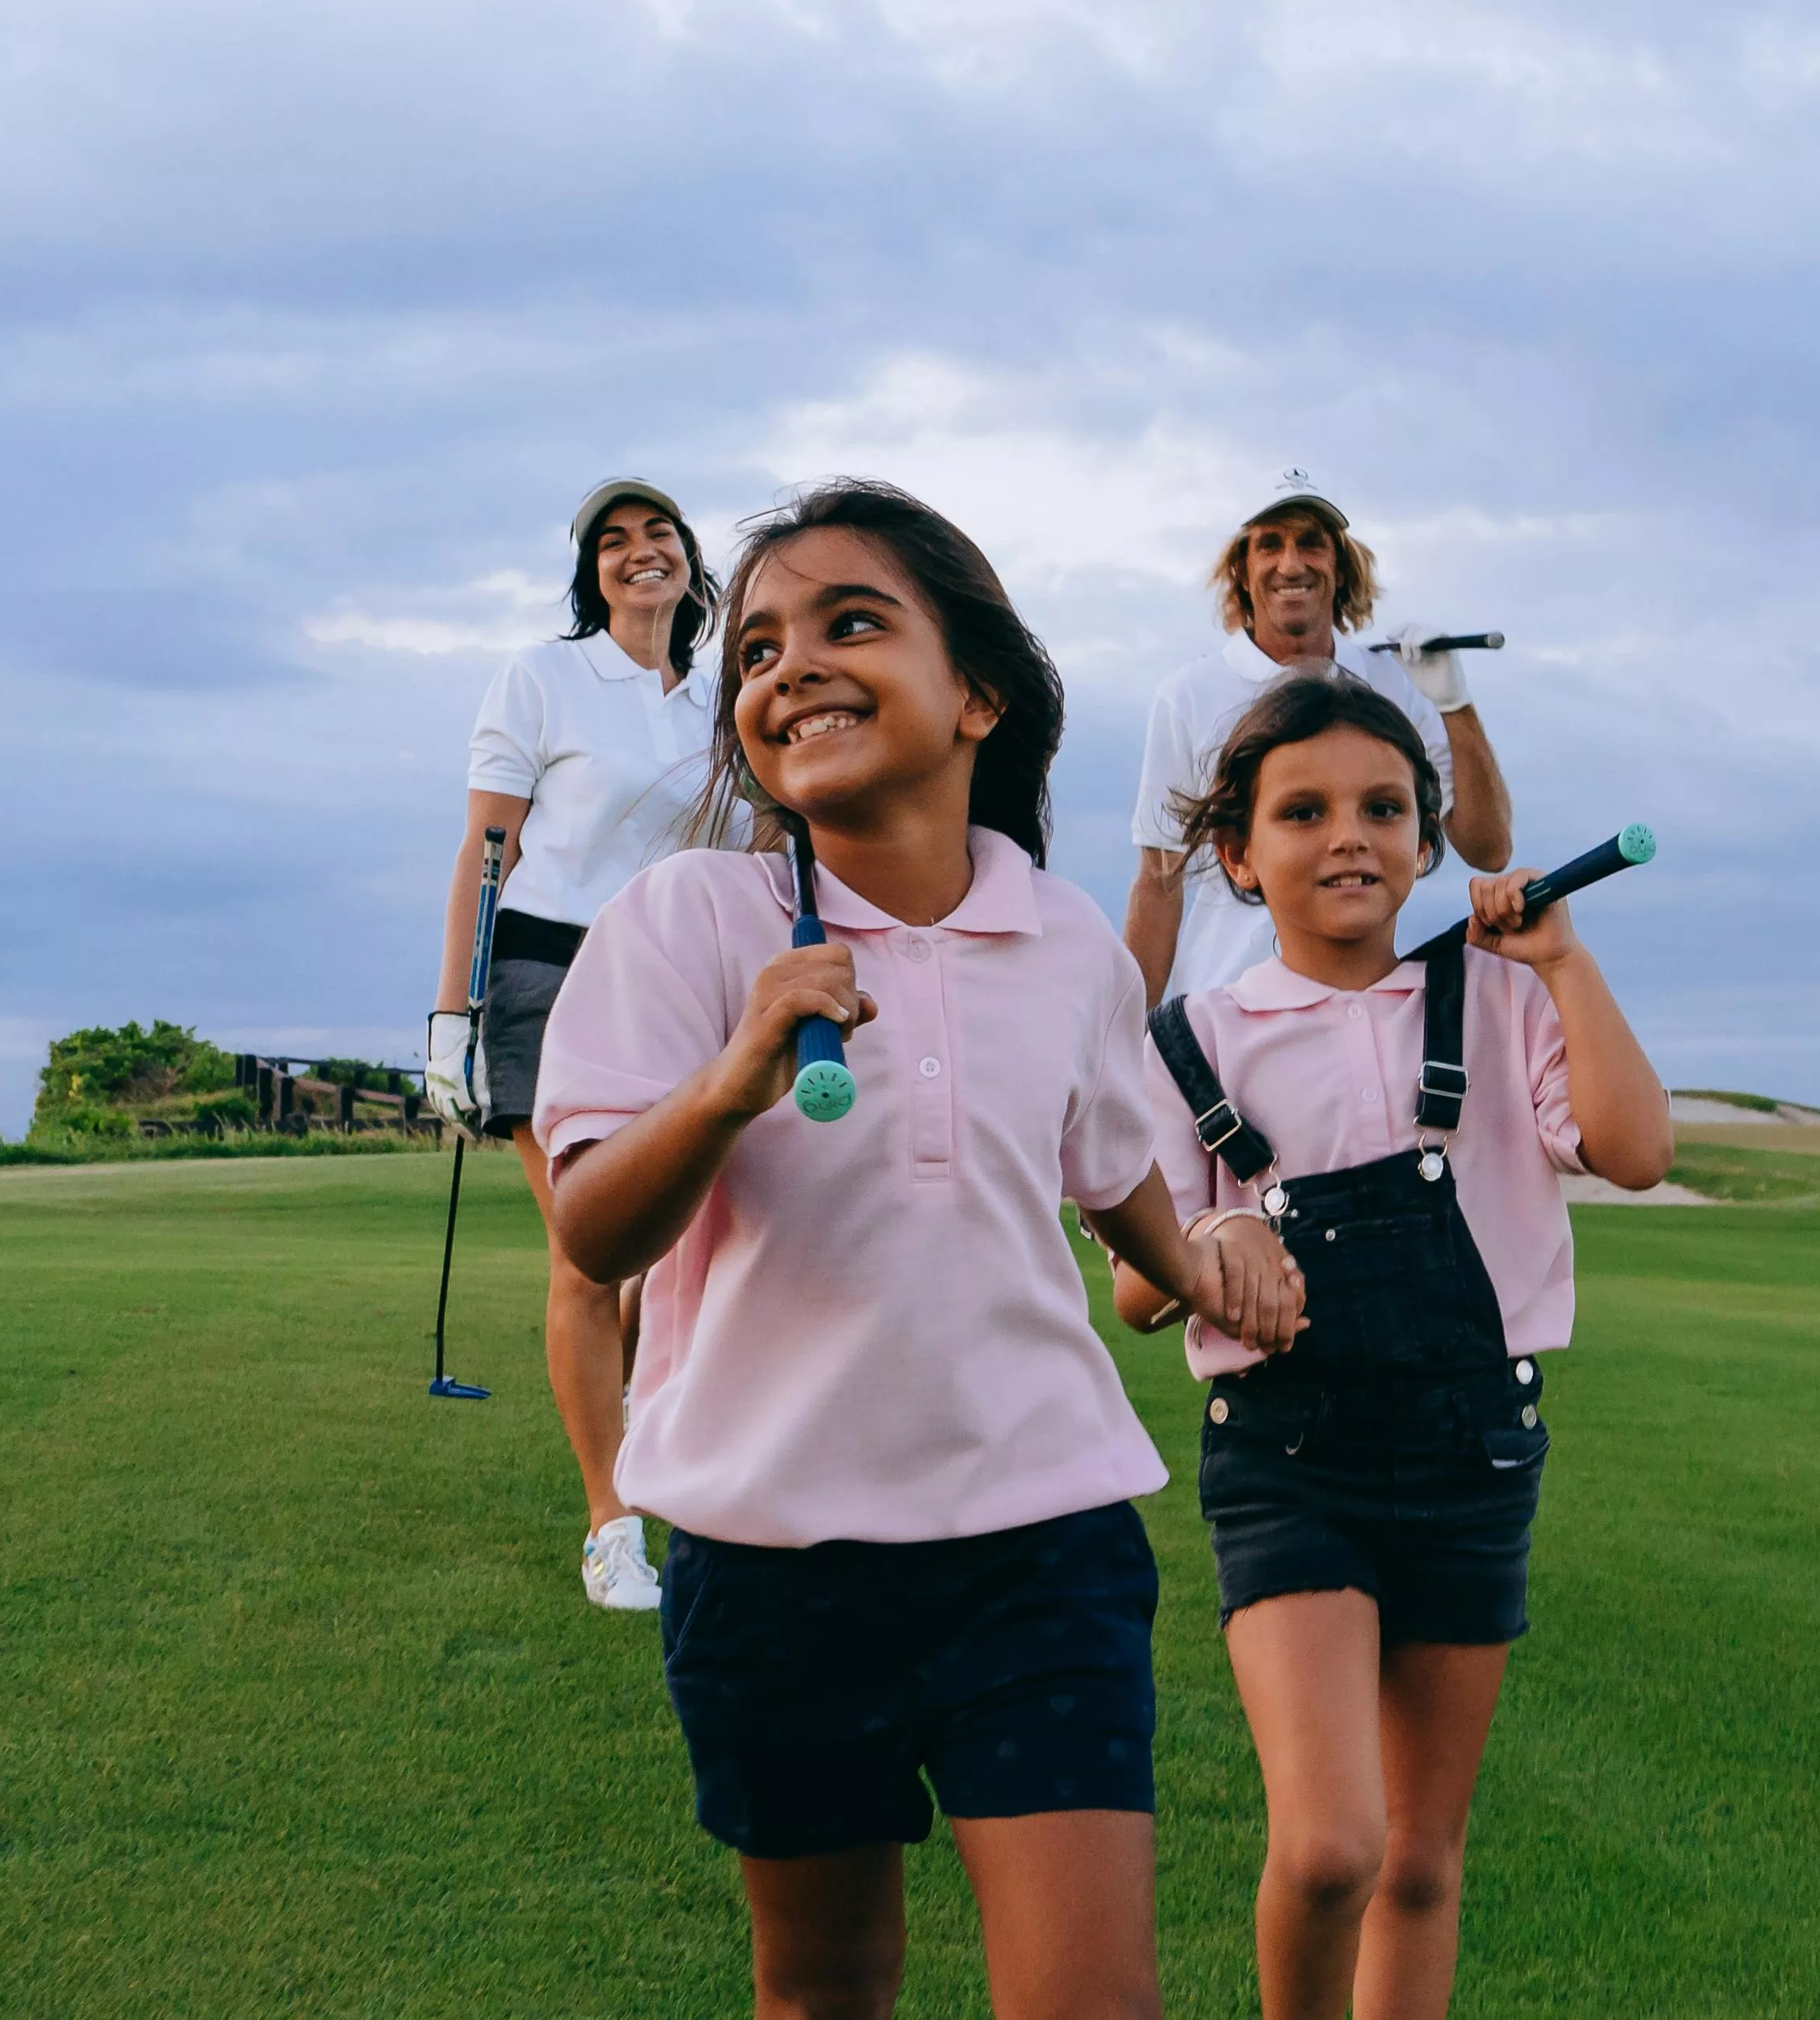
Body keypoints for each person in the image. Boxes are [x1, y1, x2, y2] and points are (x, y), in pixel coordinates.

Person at [533, 479, 1298, 2020]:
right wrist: (734, 1075)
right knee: (826, 1992)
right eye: (752, 649)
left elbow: (1110, 1175)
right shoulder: (687, 919)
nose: (787, 666)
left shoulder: (1068, 939)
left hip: (1039, 1546)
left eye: (851, 623)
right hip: (769, 1565)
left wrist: (1201, 1236)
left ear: (979, 696)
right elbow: (594, 1219)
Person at [1108, 670, 1672, 2020]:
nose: (1347, 834)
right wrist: (1217, 1248)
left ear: (1427, 839)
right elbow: (1138, 1288)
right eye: (1300, 811)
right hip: (1287, 1462)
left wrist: (1563, 962)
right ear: (1236, 855)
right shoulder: (1192, 1039)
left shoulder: (1497, 994)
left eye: (1382, 806)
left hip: (1473, 1452)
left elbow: (1636, 1150)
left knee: (1417, 1858)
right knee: (1327, 1846)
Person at [427, 476, 722, 1616]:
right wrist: (452, 1014)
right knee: (591, 1252)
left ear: (688, 559)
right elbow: (483, 848)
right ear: (590, 571)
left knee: (675, 1248)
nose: (638, 553)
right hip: (545, 971)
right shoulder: (543, 676)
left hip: (672, 977)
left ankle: (649, 1426)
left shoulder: (717, 700)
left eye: (657, 535)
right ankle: (611, 1521)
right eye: (613, 541)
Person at [1126, 470, 1514, 1004]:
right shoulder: (1187, 695)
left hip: (1357, 1006)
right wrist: (1126, 1041)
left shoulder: (1397, 682)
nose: (1291, 563)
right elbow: (1159, 881)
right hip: (1221, 1007)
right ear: (1242, 568)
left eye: (1311, 543)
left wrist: (1455, 704)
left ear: (1338, 564)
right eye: (1270, 544)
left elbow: (1489, 849)